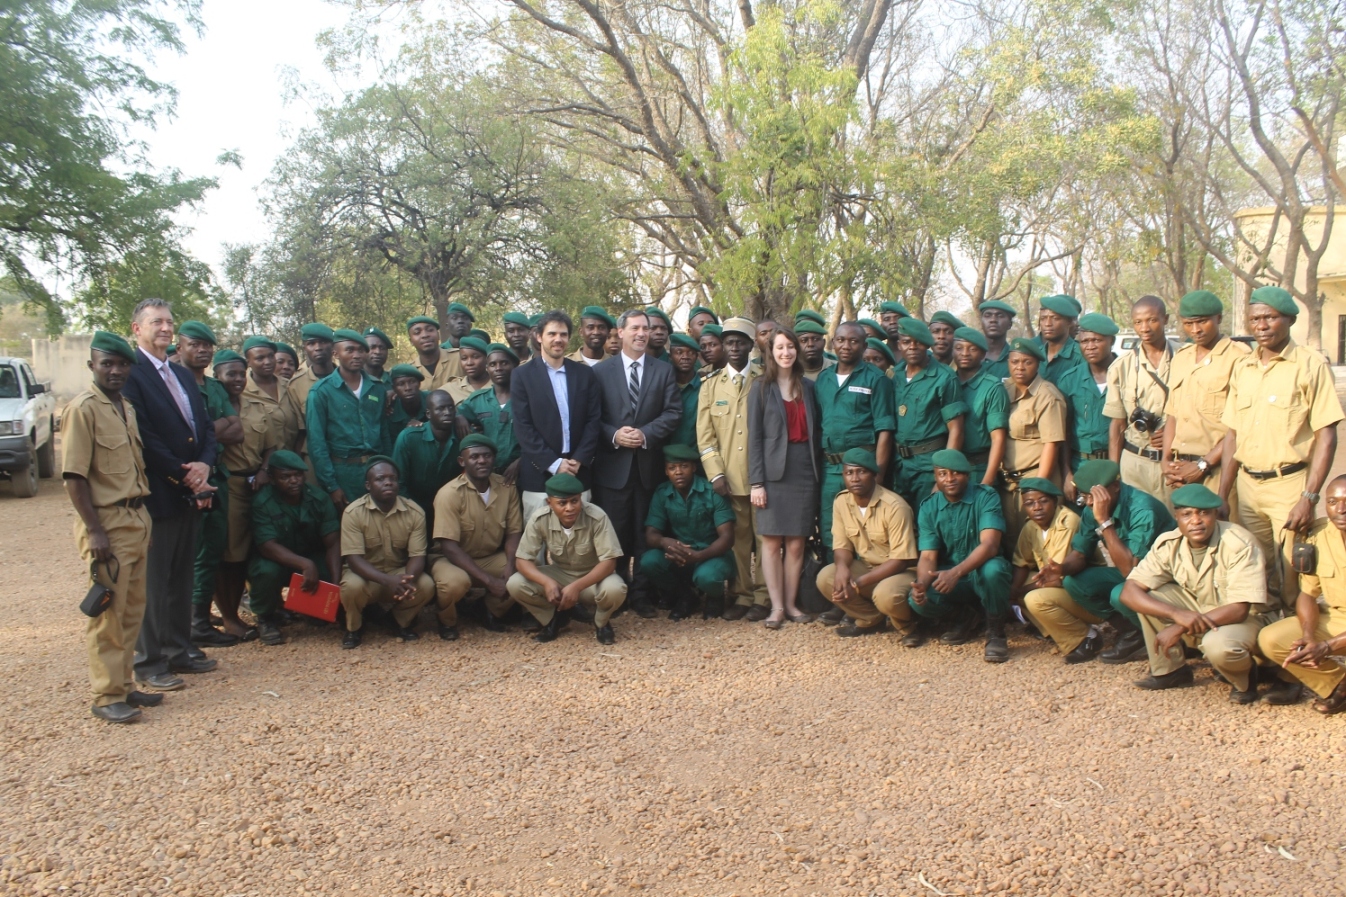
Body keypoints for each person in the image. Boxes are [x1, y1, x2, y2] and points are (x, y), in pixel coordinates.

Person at [1218, 286, 1343, 609]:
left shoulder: (1309, 365)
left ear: (1288, 319)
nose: (1261, 326)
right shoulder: (1243, 367)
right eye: (1254, 319)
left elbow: (1326, 434)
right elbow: (1232, 435)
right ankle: (1263, 640)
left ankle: (1294, 643)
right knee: (1256, 571)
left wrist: (1309, 497)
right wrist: (1223, 493)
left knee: (1293, 573)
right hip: (1247, 487)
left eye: (1270, 318)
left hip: (1289, 485)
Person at [121, 299, 220, 690]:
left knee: (181, 577)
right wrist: (186, 474)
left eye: (169, 322)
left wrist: (205, 466)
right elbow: (145, 438)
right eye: (156, 322)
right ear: (137, 329)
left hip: (191, 492)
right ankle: (149, 662)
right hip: (159, 492)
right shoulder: (132, 374)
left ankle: (180, 650)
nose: (165, 328)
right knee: (154, 581)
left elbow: (207, 429)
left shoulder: (180, 374)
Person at [63, 332, 156, 722]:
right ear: (92, 367)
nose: (115, 370)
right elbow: (74, 477)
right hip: (108, 523)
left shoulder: (126, 407)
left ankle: (126, 686)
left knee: (132, 609)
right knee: (108, 614)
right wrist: (95, 530)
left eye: (121, 364)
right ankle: (105, 696)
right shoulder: (83, 409)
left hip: (136, 517)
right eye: (107, 364)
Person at [1119, 484, 1270, 702]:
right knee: (1149, 595)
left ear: (1215, 514)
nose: (1196, 521)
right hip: (1204, 609)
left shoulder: (1239, 543)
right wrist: (1176, 613)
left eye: (1204, 513)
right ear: (1177, 516)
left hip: (1248, 619)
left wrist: (1180, 626)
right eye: (1187, 514)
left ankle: (1245, 680)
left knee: (1217, 645)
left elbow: (1240, 610)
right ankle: (1170, 671)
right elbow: (1129, 592)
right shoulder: (1169, 542)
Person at [591, 309, 681, 618]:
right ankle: (616, 590)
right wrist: (615, 435)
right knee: (614, 533)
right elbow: (592, 418)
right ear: (620, 332)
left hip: (648, 468)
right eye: (635, 328)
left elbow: (672, 413)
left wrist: (644, 435)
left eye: (646, 328)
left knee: (645, 533)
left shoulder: (663, 370)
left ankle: (642, 595)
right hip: (611, 469)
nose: (642, 333)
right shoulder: (601, 372)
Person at [1057, 460, 1176, 664]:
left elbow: (1129, 570)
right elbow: (1080, 554)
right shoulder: (1092, 508)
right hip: (1137, 575)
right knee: (1073, 582)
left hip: (1166, 578)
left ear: (1115, 487)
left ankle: (1163, 634)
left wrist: (1104, 522)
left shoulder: (1142, 509)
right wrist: (1060, 569)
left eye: (1093, 497)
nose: (1088, 504)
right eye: (1084, 497)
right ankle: (1133, 633)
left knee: (1120, 593)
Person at [697, 317, 771, 620]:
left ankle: (764, 596)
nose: (735, 347)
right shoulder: (711, 385)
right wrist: (716, 474)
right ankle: (742, 595)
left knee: (766, 537)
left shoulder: (765, 378)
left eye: (741, 342)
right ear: (723, 346)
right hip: (729, 478)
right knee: (740, 540)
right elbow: (705, 436)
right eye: (730, 342)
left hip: (762, 477)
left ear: (751, 345)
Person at [908, 450, 1014, 660]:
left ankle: (996, 633)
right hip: (953, 579)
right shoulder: (929, 507)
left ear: (967, 475)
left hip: (980, 573)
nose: (949, 479)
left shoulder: (986, 496)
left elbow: (990, 545)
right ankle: (965, 617)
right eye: (942, 474)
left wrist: (956, 573)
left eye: (956, 473)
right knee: (918, 601)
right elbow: (928, 557)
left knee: (994, 570)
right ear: (935, 477)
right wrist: (921, 584)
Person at [749, 326, 822, 629]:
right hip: (772, 473)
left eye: (790, 347)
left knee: (795, 544)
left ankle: (791, 604)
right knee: (770, 542)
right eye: (780, 347)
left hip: (805, 469)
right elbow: (754, 437)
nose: (786, 352)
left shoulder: (808, 387)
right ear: (771, 351)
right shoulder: (760, 388)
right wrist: (756, 482)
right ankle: (776, 607)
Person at [176, 322, 243, 649]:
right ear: (180, 346)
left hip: (218, 478)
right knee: (188, 553)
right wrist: (212, 430)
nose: (202, 350)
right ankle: (185, 623)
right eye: (195, 344)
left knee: (211, 553)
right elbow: (181, 435)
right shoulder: (172, 382)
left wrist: (202, 430)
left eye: (207, 345)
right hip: (186, 480)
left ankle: (199, 622)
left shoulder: (216, 388)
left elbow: (237, 429)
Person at [1258, 475, 1346, 712]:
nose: (1341, 509)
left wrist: (1327, 646)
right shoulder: (1319, 534)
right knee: (1272, 638)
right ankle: (1339, 684)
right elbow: (1307, 594)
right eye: (1332, 501)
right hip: (1338, 619)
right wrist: (1308, 635)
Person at [212, 349, 283, 641]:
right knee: (229, 556)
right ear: (217, 377)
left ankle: (266, 609)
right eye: (231, 374)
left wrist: (266, 469)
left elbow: (270, 444)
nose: (238, 379)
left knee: (257, 550)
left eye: (241, 373)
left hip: (257, 485)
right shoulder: (212, 407)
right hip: (229, 487)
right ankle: (229, 616)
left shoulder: (256, 405)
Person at [508, 473, 628, 644]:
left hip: (592, 577)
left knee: (616, 589)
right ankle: (554, 620)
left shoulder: (597, 517)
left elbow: (609, 562)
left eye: (574, 501)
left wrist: (576, 587)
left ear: (581, 498)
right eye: (562, 503)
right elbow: (522, 560)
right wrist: (546, 583)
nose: (570, 508)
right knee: (515, 583)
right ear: (549, 503)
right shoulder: (539, 519)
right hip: (560, 573)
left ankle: (601, 623)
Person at [814, 321, 897, 568]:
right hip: (831, 468)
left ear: (863, 345)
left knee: (864, 529)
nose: (846, 346)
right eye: (840, 340)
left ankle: (862, 592)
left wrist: (878, 475)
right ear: (833, 342)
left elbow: (885, 431)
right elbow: (820, 424)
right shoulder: (824, 379)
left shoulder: (876, 379)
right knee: (831, 528)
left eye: (853, 341)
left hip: (864, 470)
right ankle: (835, 594)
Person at [511, 310, 603, 521]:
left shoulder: (584, 374)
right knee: (538, 547)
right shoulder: (521, 376)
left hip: (578, 473)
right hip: (539, 477)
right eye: (552, 334)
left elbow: (593, 421)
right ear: (539, 336)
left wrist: (578, 459)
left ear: (569, 338)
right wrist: (554, 464)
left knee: (580, 543)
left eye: (563, 334)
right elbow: (523, 427)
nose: (558, 339)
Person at [816, 448, 918, 638]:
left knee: (885, 594)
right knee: (827, 577)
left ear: (873, 475)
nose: (855, 478)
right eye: (849, 472)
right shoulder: (841, 502)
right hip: (868, 567)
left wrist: (857, 583)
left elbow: (901, 560)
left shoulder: (895, 506)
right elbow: (842, 545)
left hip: (901, 572)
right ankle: (872, 619)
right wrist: (842, 569)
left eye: (861, 472)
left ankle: (909, 626)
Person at [1161, 291, 1249, 507]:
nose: (1195, 330)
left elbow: (1239, 427)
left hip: (1218, 470)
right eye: (1188, 323)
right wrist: (1165, 459)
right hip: (1179, 469)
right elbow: (1173, 414)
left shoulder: (1240, 357)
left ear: (1218, 318)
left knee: (1222, 534)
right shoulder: (1182, 357)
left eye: (1202, 322)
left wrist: (1203, 465)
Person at [430, 435, 523, 639]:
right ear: (462, 462)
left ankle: (486, 611)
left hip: (489, 556)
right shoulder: (449, 494)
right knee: (454, 583)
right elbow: (449, 548)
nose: (482, 461)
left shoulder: (506, 487)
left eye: (487, 456)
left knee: (524, 572)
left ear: (494, 459)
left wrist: (510, 564)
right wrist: (489, 581)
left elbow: (514, 531)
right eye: (475, 457)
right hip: (451, 560)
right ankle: (447, 621)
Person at [247, 450, 342, 646]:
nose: (294, 481)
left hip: (311, 554)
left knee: (333, 568)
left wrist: (334, 586)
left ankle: (313, 609)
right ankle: (265, 617)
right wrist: (304, 564)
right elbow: (267, 546)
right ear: (272, 479)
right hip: (277, 559)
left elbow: (333, 542)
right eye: (286, 477)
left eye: (298, 475)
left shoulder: (318, 498)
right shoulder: (262, 501)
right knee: (266, 571)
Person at [339, 457, 434, 647]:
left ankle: (397, 621)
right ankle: (354, 629)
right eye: (380, 479)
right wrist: (386, 581)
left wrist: (405, 579)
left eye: (392, 478)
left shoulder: (415, 512)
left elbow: (417, 556)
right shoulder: (353, 513)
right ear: (368, 485)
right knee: (351, 586)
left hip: (398, 574)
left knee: (426, 585)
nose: (388, 482)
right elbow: (354, 559)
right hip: (366, 576)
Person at [641, 444, 736, 620]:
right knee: (649, 561)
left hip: (712, 555)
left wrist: (699, 556)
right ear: (666, 471)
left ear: (693, 467)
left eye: (684, 466)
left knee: (707, 577)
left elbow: (727, 537)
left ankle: (715, 597)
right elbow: (651, 533)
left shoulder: (711, 491)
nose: (678, 472)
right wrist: (664, 542)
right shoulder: (662, 493)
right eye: (672, 468)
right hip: (682, 554)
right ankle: (686, 596)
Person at [306, 329, 392, 513]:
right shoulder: (321, 391)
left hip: (375, 468)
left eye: (361, 350)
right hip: (343, 471)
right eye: (350, 350)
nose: (357, 355)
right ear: (335, 354)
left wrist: (388, 467)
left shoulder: (376, 387)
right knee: (349, 526)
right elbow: (317, 442)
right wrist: (331, 485)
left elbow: (383, 431)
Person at [1011, 478, 1093, 661]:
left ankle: (1085, 638)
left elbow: (1055, 578)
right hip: (1056, 585)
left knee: (1033, 598)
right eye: (1030, 503)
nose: (1037, 507)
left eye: (1043, 501)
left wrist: (1019, 593)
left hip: (1084, 592)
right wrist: (1011, 593)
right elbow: (1021, 562)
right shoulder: (1031, 526)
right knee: (1013, 582)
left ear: (1055, 502)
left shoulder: (1067, 522)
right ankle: (1053, 630)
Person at [1106, 295, 1176, 506]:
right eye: (1138, 322)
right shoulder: (1122, 366)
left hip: (1173, 463)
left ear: (1166, 319)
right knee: (1138, 525)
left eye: (1152, 320)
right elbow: (1117, 423)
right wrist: (1113, 472)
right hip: (1135, 463)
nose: (1145, 328)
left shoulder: (1185, 358)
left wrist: (1174, 431)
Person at [890, 318, 967, 509]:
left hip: (928, 465)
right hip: (898, 465)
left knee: (927, 523)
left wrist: (945, 473)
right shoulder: (894, 375)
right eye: (907, 342)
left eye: (919, 342)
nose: (913, 347)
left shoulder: (943, 377)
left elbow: (956, 429)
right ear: (899, 345)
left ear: (927, 344)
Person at [999, 338, 1068, 550]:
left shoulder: (1047, 395)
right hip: (1008, 482)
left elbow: (1052, 444)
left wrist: (1038, 489)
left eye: (1027, 362)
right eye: (1015, 361)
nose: (1020, 367)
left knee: (1038, 542)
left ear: (1037, 364)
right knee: (1012, 542)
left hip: (1036, 477)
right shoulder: (1004, 388)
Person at [1057, 313, 1119, 499]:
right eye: (1084, 342)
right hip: (1081, 463)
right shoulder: (1069, 380)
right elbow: (1064, 432)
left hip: (1120, 462)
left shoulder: (1128, 375)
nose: (1090, 346)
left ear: (1112, 341)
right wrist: (1067, 473)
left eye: (1097, 340)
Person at [392, 389, 460, 535]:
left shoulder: (462, 435)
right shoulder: (409, 438)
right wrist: (414, 512)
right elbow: (399, 482)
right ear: (428, 414)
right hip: (414, 508)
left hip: (452, 508)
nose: (447, 412)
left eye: (450, 407)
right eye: (440, 408)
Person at [951, 327, 1008, 487]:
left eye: (972, 349)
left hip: (979, 468)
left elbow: (998, 438)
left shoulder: (992, 387)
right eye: (959, 348)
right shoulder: (947, 382)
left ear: (983, 355)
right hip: (950, 468)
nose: (965, 353)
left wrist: (988, 481)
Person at [459, 344, 521, 481]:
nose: (498, 368)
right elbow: (451, 416)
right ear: (487, 369)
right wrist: (458, 417)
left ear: (515, 367)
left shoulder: (528, 399)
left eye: (504, 363)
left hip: (521, 473)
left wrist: (522, 461)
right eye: (493, 364)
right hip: (487, 476)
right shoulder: (477, 400)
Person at [241, 335, 301, 455]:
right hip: (262, 466)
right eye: (260, 358)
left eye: (270, 356)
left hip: (293, 461)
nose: (267, 362)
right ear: (248, 363)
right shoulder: (242, 392)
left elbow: (302, 429)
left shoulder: (290, 386)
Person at [286, 323, 336, 465]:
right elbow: (299, 431)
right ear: (305, 348)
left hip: (347, 455)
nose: (318, 347)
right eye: (311, 343)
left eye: (323, 342)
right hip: (313, 456)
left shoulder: (348, 378)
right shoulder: (295, 385)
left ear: (333, 346)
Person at [1031, 294, 1084, 386]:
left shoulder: (1081, 356)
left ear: (1069, 322)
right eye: (1043, 318)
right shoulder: (1035, 354)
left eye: (1055, 318)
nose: (1047, 324)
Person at [408, 315, 464, 389]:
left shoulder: (460, 358)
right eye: (417, 332)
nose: (425, 335)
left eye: (430, 330)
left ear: (438, 335)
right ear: (411, 341)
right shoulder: (409, 371)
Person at [668, 333, 702, 451]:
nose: (685, 357)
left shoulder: (705, 386)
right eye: (679, 352)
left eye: (691, 353)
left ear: (697, 356)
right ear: (670, 356)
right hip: (664, 457)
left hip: (697, 456)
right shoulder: (662, 386)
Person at [386, 364, 429, 443]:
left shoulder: (431, 400)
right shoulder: (389, 408)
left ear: (419, 383)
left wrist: (424, 427)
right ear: (394, 388)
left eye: (412, 382)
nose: (408, 388)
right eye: (401, 384)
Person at [447, 336, 491, 405]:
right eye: (464, 358)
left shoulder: (499, 386)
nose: (469, 363)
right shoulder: (450, 389)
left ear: (487, 359)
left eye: (475, 357)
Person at [979, 300, 1016, 381]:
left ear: (1010, 324)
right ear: (981, 322)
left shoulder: (1017, 360)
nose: (993, 320)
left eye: (1000, 316)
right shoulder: (969, 356)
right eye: (988, 315)